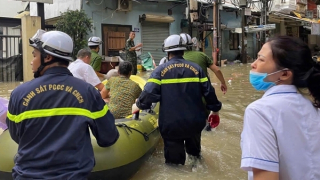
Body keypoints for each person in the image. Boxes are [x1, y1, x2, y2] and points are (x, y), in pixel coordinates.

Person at [6, 29, 119, 180]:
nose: (32, 61)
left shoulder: (18, 94)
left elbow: (17, 136)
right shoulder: (87, 92)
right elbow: (108, 137)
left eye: (34, 56)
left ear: (48, 57)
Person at [134, 34, 222, 165]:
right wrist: (215, 111)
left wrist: (138, 104)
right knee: (195, 159)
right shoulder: (197, 69)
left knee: (174, 165)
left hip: (171, 124)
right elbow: (209, 93)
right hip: (194, 123)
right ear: (184, 49)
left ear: (167, 51)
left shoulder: (160, 71)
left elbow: (148, 93)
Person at [241, 36, 320, 180]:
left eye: (261, 59)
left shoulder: (259, 112)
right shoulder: (313, 107)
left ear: (284, 74)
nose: (253, 64)